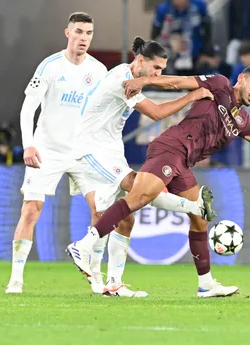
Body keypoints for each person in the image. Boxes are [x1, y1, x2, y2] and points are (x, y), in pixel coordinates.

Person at [67, 65, 250, 298]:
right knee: (138, 199)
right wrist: (143, 81)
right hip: (171, 148)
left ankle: (205, 285)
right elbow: (177, 82)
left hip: (184, 163)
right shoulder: (219, 84)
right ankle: (83, 246)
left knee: (199, 218)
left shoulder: (241, 120)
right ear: (241, 78)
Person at [71, 36, 216, 297]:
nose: (159, 74)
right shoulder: (123, 81)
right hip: (90, 148)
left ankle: (113, 284)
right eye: (156, 69)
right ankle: (82, 247)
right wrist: (193, 95)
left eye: (162, 70)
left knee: (126, 217)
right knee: (137, 188)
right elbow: (157, 113)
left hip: (111, 150)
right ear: (141, 60)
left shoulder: (128, 76)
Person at [5, 12, 107, 294]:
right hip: (47, 149)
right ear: (67, 33)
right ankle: (16, 279)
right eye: (79, 32)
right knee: (31, 210)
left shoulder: (98, 71)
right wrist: (29, 144)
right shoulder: (50, 66)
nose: (84, 38)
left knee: (101, 210)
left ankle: (96, 277)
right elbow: (28, 109)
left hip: (84, 152)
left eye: (88, 33)